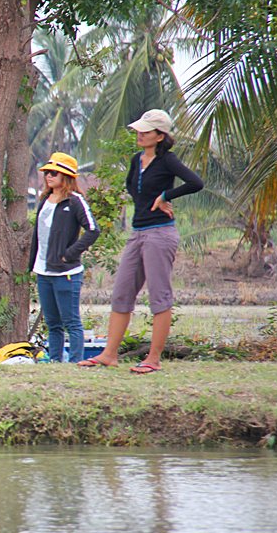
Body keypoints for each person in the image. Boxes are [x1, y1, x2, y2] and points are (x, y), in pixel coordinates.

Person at [79, 109, 203, 373]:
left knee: (159, 297)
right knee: (122, 293)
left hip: (160, 234)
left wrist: (166, 196)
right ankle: (109, 355)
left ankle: (153, 360)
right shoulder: (137, 160)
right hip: (137, 233)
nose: (140, 134)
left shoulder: (168, 161)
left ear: (160, 136)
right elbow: (131, 188)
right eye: (139, 130)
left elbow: (195, 182)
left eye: (146, 131)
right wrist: (148, 203)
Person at [29, 152, 100, 363]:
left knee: (71, 322)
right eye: (46, 173)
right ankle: (55, 362)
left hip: (66, 273)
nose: (48, 176)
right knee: (53, 323)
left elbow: (93, 230)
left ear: (66, 176)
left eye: (53, 173)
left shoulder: (75, 201)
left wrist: (69, 254)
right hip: (43, 271)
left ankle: (76, 362)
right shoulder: (44, 200)